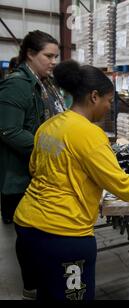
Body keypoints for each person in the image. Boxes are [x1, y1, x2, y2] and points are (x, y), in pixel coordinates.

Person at [13, 59, 129, 300]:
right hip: (63, 236)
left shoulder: (49, 126)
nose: (109, 107)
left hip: (27, 227)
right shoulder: (90, 133)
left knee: (48, 293)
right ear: (94, 96)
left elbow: (36, 169)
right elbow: (121, 185)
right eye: (108, 101)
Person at [0, 31, 65, 226]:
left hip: (40, 172)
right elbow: (9, 130)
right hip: (21, 179)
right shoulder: (17, 85)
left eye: (56, 57)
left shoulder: (45, 83)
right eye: (48, 56)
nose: (53, 61)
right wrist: (54, 148)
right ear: (30, 53)